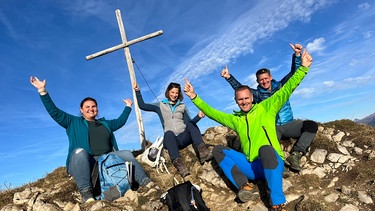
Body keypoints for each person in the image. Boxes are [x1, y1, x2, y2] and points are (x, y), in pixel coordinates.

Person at [183, 50, 313, 210]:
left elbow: (287, 89)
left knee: (265, 149)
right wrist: (194, 96)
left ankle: (277, 202)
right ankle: (244, 185)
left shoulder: (267, 108)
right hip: (252, 167)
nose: (244, 101)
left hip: (273, 161)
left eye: (246, 98)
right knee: (219, 150)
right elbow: (212, 113)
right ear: (236, 101)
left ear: (252, 97)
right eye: (240, 99)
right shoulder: (235, 120)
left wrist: (303, 68)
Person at [30, 76, 151, 203]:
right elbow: (54, 112)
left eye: (93, 106)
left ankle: (146, 183)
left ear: (97, 109)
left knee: (126, 153)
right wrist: (42, 91)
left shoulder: (105, 123)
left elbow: (120, 122)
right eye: (87, 107)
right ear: (81, 110)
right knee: (79, 152)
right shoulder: (72, 122)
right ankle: (87, 195)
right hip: (87, 161)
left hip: (107, 159)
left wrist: (128, 107)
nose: (91, 109)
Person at [220, 43, 318, 172]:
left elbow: (294, 74)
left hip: (289, 124)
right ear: (257, 81)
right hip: (272, 127)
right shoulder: (257, 94)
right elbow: (242, 91)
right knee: (267, 143)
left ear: (270, 77)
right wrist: (229, 77)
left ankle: (296, 155)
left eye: (266, 78)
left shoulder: (281, 85)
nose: (264, 81)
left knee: (311, 125)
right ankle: (275, 167)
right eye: (261, 80)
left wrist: (297, 55)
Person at [133, 81, 213, 177]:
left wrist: (198, 117)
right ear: (168, 92)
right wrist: (137, 91)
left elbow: (189, 123)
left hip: (184, 137)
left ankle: (203, 151)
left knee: (191, 125)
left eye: (176, 93)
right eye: (172, 92)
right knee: (168, 133)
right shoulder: (160, 105)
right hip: (172, 141)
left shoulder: (182, 106)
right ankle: (179, 165)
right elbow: (142, 106)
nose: (174, 95)